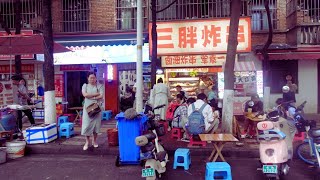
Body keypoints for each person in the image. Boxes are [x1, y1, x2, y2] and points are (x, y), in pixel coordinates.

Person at [81, 72, 104, 151]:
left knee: (96, 126)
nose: (92, 79)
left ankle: (94, 141)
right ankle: (87, 142)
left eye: (93, 77)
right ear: (88, 78)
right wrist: (96, 95)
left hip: (96, 108)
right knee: (87, 125)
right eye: (90, 78)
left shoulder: (100, 85)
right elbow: (85, 95)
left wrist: (91, 97)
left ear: (96, 78)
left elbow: (101, 95)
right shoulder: (85, 86)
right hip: (87, 108)